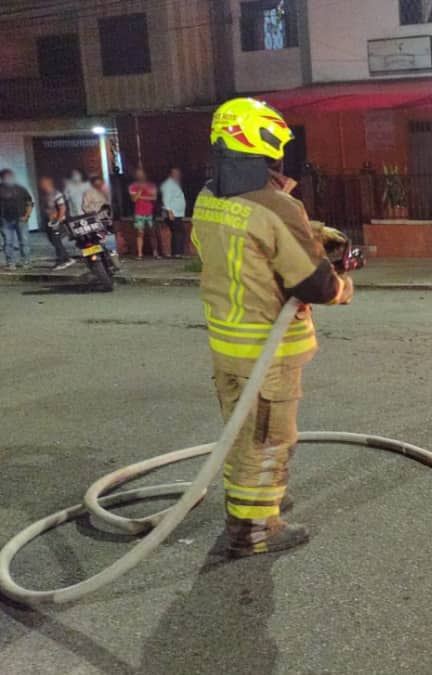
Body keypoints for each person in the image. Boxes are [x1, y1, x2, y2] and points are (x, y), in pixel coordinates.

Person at [194, 97, 354, 557]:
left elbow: (247, 239)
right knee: (268, 442)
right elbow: (316, 283)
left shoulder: (209, 198)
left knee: (243, 436)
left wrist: (311, 229)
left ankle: (256, 506)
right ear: (263, 144)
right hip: (268, 351)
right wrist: (345, 285)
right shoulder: (278, 208)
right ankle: (254, 530)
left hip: (227, 347)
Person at [0, 169, 34, 269]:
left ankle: (26, 262)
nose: (8, 178)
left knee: (24, 241)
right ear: (2, 178)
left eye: (9, 176)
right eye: (5, 176)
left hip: (21, 219)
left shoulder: (21, 189)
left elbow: (29, 203)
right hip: (4, 220)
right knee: (8, 242)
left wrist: (27, 216)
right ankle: (10, 263)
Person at [38, 176, 74, 270]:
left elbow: (62, 208)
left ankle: (62, 260)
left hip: (57, 221)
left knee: (56, 240)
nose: (42, 185)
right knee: (54, 241)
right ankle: (67, 258)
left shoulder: (56, 194)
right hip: (49, 221)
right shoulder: (46, 194)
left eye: (44, 183)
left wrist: (58, 220)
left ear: (49, 183)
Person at [128, 167, 159, 259]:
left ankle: (155, 252)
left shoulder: (151, 185)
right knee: (140, 233)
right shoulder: (133, 186)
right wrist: (140, 190)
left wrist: (141, 197)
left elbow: (154, 198)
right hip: (139, 212)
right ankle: (140, 254)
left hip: (150, 212)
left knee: (152, 232)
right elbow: (134, 199)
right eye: (138, 174)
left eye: (141, 174)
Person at [160, 167, 189, 258]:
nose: (178, 175)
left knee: (178, 232)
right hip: (173, 213)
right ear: (171, 174)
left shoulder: (174, 184)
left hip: (177, 213)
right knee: (178, 232)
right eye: (176, 173)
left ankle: (177, 252)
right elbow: (166, 199)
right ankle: (177, 253)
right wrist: (169, 211)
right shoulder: (168, 184)